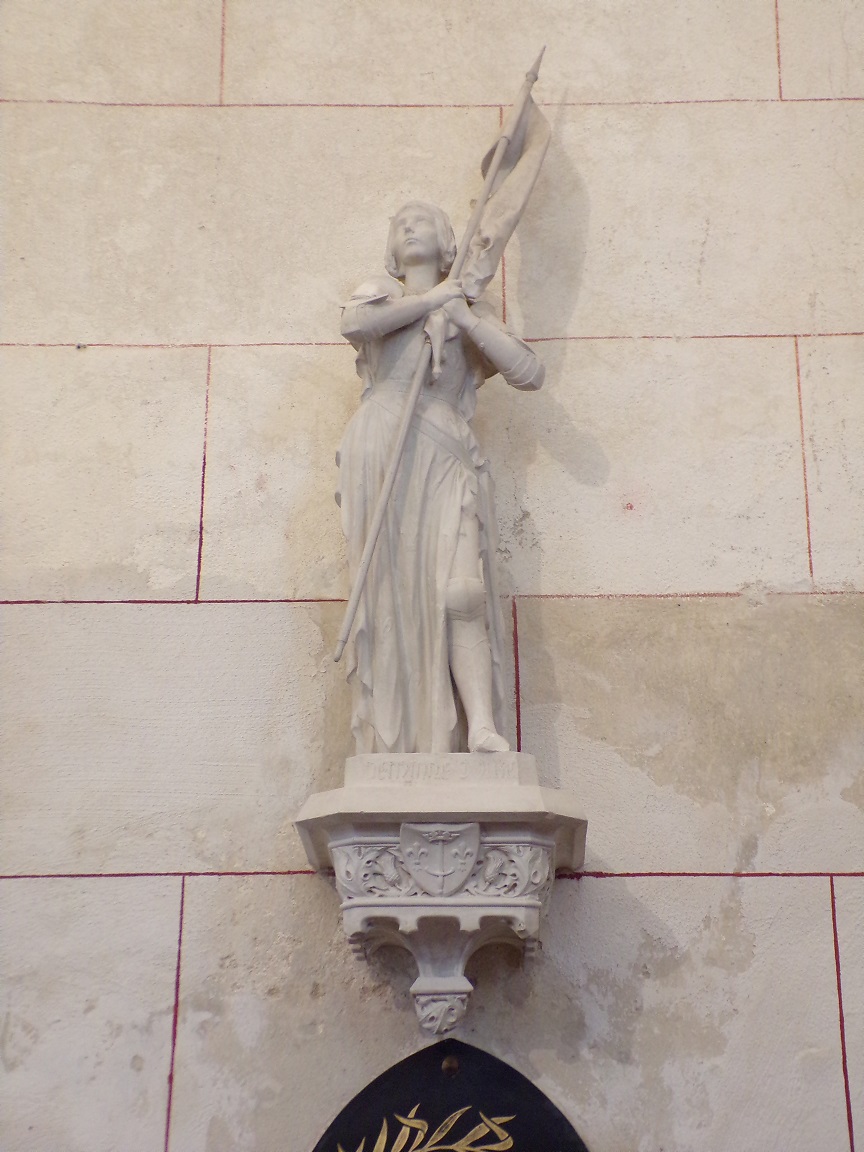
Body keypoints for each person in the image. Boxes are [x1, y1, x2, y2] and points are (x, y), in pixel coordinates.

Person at [337, 201, 544, 755]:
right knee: (391, 594)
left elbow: (529, 373)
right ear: (391, 251)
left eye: (423, 220)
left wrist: (466, 317)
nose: (409, 226)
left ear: (450, 243)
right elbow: (353, 323)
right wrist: (429, 301)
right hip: (384, 449)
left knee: (461, 589)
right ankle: (398, 736)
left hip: (447, 451)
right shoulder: (381, 295)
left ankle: (479, 727)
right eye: (400, 221)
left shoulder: (465, 310)